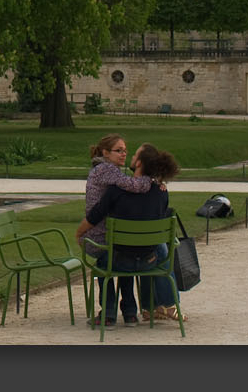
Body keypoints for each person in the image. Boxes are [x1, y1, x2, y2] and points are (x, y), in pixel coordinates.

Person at [77, 143, 181, 323]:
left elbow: (94, 216)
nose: (129, 156)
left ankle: (109, 314)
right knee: (137, 249)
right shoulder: (161, 192)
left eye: (134, 156)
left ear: (139, 163)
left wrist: (78, 234)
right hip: (150, 262)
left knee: (105, 261)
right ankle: (133, 311)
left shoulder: (116, 190)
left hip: (119, 261)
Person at [78, 134, 154, 326]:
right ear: (105, 153)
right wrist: (153, 180)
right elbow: (135, 185)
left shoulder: (112, 172)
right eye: (118, 150)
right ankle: (127, 313)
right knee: (117, 256)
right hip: (99, 237)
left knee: (117, 258)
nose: (123, 154)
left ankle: (111, 314)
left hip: (112, 237)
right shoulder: (105, 170)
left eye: (125, 150)